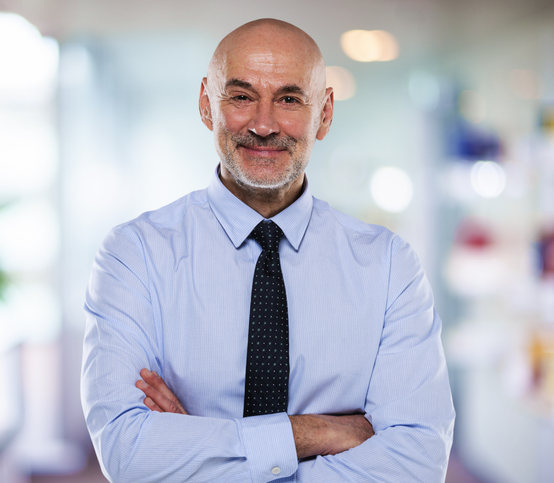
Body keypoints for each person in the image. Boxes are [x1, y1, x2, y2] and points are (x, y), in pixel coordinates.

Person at [81, 18, 455, 482]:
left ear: (324, 114)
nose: (263, 124)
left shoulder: (389, 266)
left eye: (290, 99)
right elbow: (129, 456)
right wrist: (314, 433)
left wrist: (198, 446)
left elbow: (416, 465)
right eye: (240, 96)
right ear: (206, 105)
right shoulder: (134, 254)